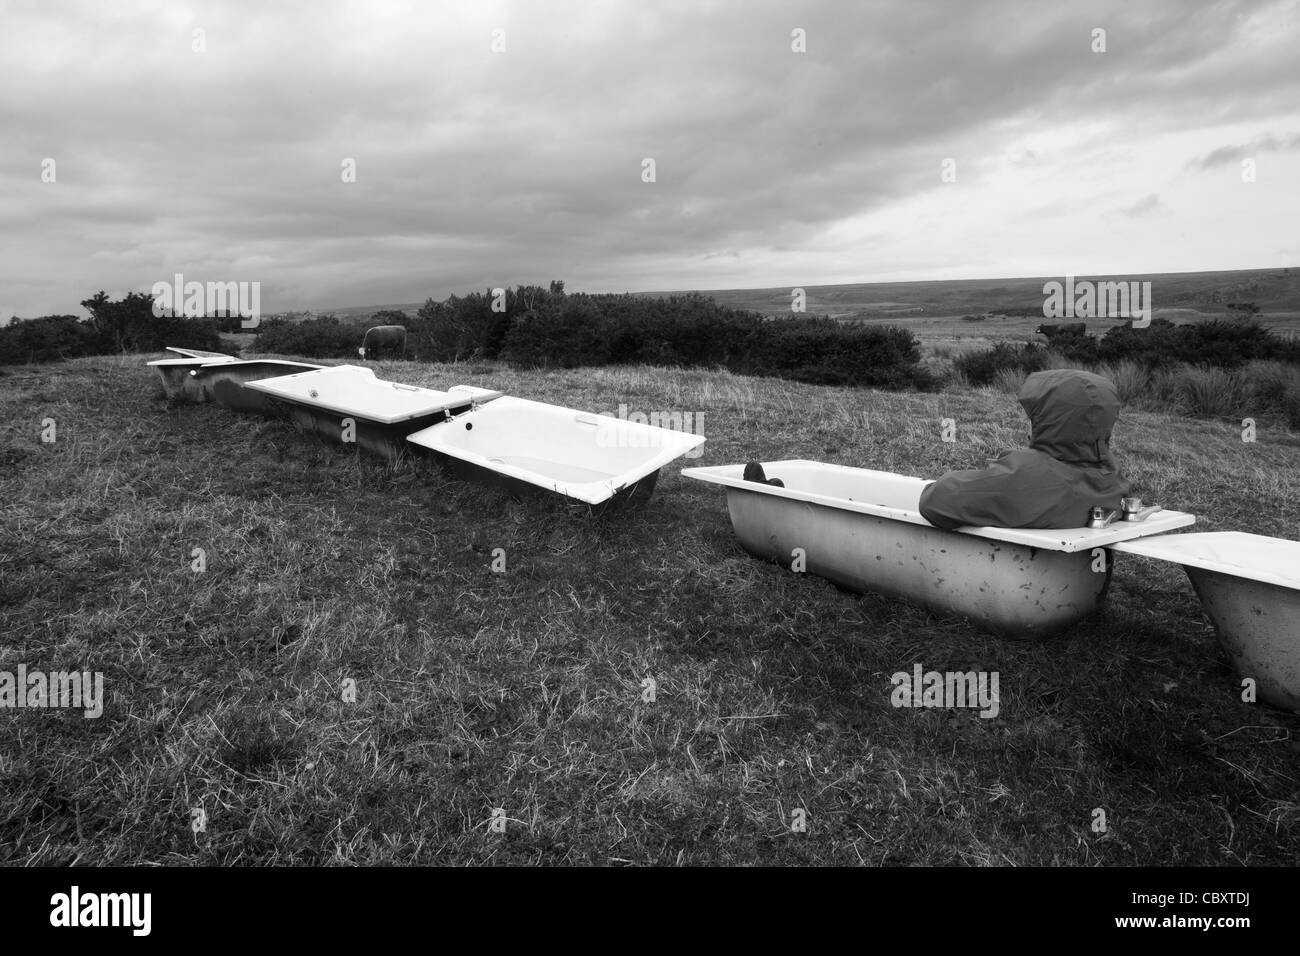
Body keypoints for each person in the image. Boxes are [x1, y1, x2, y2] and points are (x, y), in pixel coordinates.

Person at [917, 368, 1131, 530]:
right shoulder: (1110, 475)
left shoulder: (1029, 475)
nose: (1028, 422)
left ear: (1052, 422)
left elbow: (936, 500)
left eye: (1035, 417)